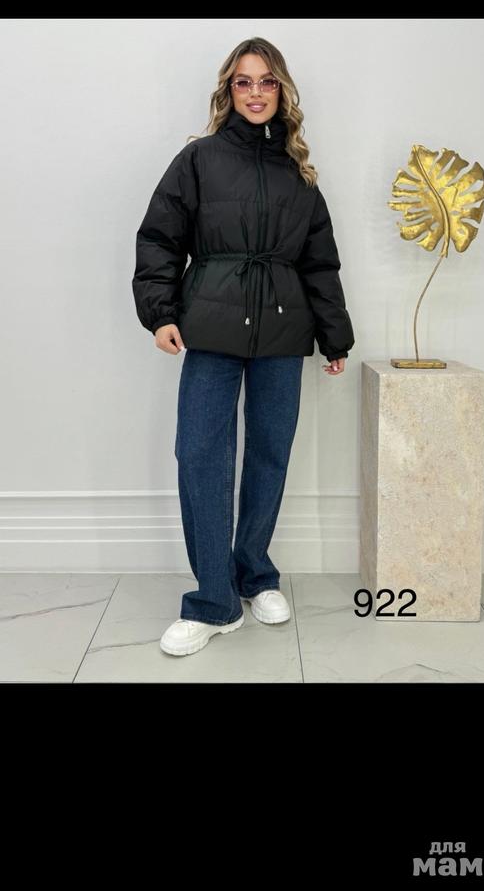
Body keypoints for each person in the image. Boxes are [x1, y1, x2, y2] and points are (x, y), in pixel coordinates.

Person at [132, 36, 355, 657]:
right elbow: (159, 238)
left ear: (282, 90)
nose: (255, 93)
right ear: (228, 91)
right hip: (210, 326)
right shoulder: (198, 160)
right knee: (200, 454)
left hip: (284, 330)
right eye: (243, 82)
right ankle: (214, 601)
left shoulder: (299, 174)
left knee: (269, 453)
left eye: (266, 81)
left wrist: (334, 334)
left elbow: (320, 263)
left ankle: (255, 573)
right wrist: (160, 313)